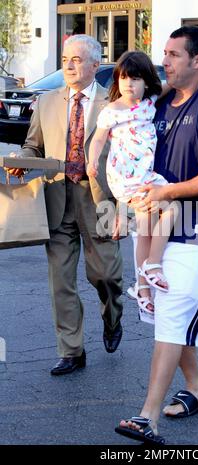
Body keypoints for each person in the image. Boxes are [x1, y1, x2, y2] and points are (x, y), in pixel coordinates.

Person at [115, 26, 198, 444]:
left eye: (172, 54)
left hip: (192, 233)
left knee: (170, 321)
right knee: (163, 318)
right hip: (150, 227)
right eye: (164, 54)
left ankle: (146, 417)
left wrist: (168, 191)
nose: (164, 61)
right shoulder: (161, 101)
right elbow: (120, 107)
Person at [5, 34, 123, 375]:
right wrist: (23, 160)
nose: (68, 65)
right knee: (61, 281)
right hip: (56, 199)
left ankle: (113, 316)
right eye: (65, 59)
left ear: (94, 65)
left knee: (105, 275)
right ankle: (71, 350)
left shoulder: (113, 105)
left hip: (100, 200)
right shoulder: (47, 102)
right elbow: (32, 147)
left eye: (76, 59)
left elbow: (132, 153)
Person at [87, 51, 178, 322]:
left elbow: (173, 82)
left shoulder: (150, 102)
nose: (129, 83)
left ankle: (143, 286)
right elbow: (98, 140)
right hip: (126, 177)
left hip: (146, 175)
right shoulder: (112, 110)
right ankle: (151, 267)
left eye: (136, 78)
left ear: (146, 82)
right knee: (161, 213)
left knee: (155, 218)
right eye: (124, 78)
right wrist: (92, 162)